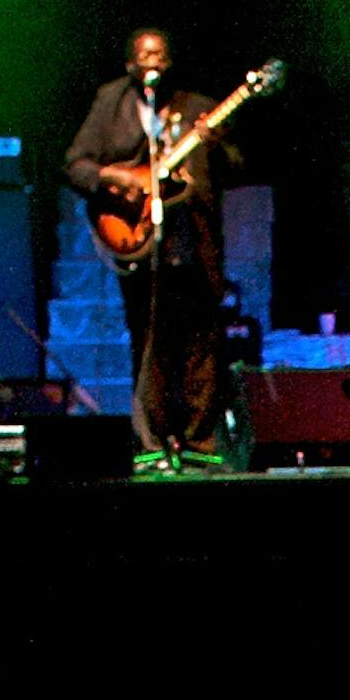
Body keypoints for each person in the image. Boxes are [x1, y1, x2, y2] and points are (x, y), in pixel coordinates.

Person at [65, 29, 233, 459]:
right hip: (138, 239)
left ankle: (200, 441)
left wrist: (215, 146)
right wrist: (113, 177)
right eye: (144, 55)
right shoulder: (111, 103)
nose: (153, 61)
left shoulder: (197, 108)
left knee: (201, 342)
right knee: (148, 337)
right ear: (130, 65)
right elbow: (76, 163)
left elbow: (238, 163)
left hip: (193, 239)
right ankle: (152, 442)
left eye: (160, 54)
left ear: (170, 61)